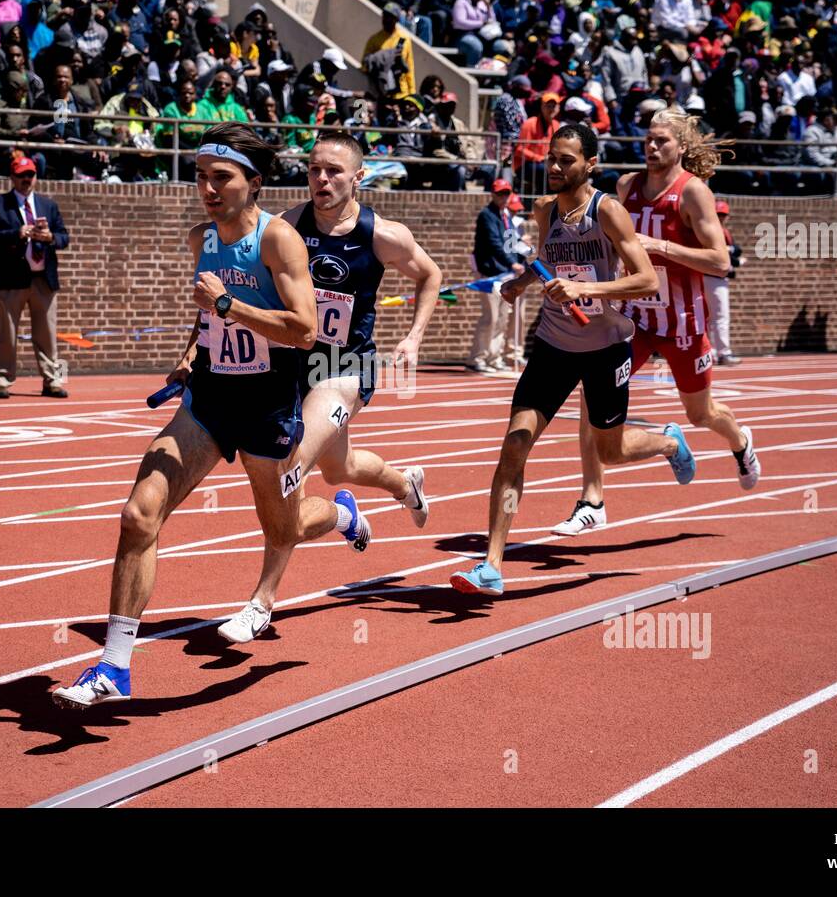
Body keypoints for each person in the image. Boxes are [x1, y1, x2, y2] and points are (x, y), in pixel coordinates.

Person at [53, 124, 364, 708]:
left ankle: (342, 513)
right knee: (138, 514)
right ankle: (114, 666)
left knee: (285, 529)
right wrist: (189, 355)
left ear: (254, 183)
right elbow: (206, 318)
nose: (208, 188)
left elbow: (305, 331)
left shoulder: (280, 242)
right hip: (209, 403)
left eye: (221, 177)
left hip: (269, 407)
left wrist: (228, 303)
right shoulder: (203, 237)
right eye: (200, 176)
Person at [448, 124, 695, 597]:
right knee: (515, 444)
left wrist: (588, 288)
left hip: (605, 348)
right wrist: (522, 283)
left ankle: (667, 441)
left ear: (590, 165)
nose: (555, 167)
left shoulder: (609, 212)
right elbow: (548, 261)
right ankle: (492, 565)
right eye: (551, 159)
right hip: (555, 347)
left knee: (610, 451)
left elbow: (646, 281)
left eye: (566, 160)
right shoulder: (544, 211)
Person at [216, 130, 442, 643]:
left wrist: (412, 338)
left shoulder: (383, 235)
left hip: (345, 372)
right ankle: (399, 488)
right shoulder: (289, 225)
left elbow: (429, 275)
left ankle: (261, 602)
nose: (321, 178)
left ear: (358, 178)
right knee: (340, 467)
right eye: (315, 169)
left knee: (290, 466)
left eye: (334, 171)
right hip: (295, 366)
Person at [557, 108, 760, 537]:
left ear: (681, 148)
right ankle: (592, 500)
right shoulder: (626, 186)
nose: (651, 147)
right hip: (633, 319)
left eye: (662, 141)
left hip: (682, 321)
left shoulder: (693, 193)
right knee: (591, 400)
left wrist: (659, 245)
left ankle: (740, 441)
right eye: (648, 139)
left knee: (700, 413)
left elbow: (721, 262)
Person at [0, 156, 71, 399]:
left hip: (44, 279)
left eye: (30, 175)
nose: (26, 180)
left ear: (36, 177)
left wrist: (50, 237)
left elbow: (64, 237)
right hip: (11, 279)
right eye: (21, 175)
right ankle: (1, 379)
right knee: (6, 333)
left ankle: (52, 380)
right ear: (12, 177)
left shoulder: (48, 205)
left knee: (47, 334)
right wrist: (17, 233)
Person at [466, 177, 525, 373]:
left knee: (501, 318)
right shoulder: (487, 215)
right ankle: (477, 358)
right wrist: (513, 263)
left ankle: (493, 356)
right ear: (492, 194)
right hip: (489, 273)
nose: (503, 197)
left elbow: (511, 242)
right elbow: (494, 243)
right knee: (489, 317)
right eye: (500, 193)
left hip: (503, 273)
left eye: (506, 193)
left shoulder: (504, 216)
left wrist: (525, 254)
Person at [705, 198, 744, 366]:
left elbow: (736, 251)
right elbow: (729, 256)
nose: (721, 218)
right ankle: (722, 352)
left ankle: (712, 352)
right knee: (719, 316)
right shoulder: (711, 230)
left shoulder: (723, 231)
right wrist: (733, 256)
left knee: (712, 317)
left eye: (723, 215)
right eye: (718, 214)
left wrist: (733, 254)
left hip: (716, 276)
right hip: (712, 277)